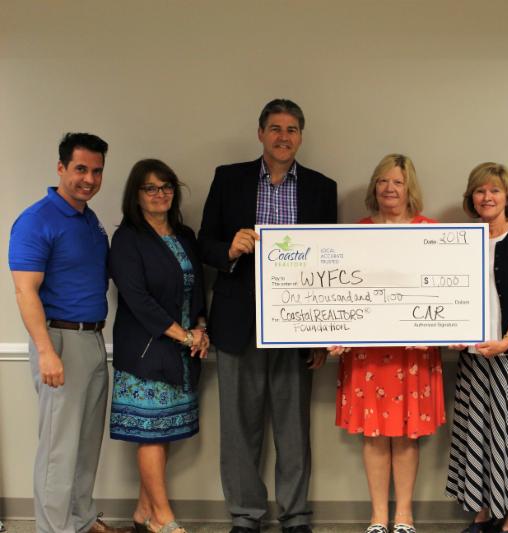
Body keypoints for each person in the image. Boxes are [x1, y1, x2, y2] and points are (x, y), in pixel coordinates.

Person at [198, 98, 337, 533]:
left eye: (291, 129)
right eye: (275, 128)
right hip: (239, 321)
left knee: (293, 428)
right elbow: (204, 243)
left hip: (297, 324)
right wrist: (229, 250)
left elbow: (329, 262)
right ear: (260, 133)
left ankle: (295, 516)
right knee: (239, 428)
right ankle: (246, 516)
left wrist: (321, 333)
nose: (283, 136)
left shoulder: (321, 188)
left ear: (301, 137)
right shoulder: (229, 178)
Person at [9, 133, 131, 533]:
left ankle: (80, 519)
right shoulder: (37, 220)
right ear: (61, 168)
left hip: (92, 338)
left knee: (85, 442)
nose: (89, 179)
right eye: (80, 169)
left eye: (97, 171)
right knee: (59, 448)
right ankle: (55, 528)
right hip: (59, 341)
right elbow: (25, 291)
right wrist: (46, 351)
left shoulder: (89, 220)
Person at [333, 154, 445, 533]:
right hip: (368, 351)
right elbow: (342, 290)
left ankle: (404, 516)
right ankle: (379, 517)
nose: (389, 188)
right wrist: (335, 331)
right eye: (382, 181)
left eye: (397, 181)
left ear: (409, 187)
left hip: (414, 350)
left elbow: (446, 291)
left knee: (407, 435)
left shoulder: (432, 232)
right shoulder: (357, 232)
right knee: (375, 434)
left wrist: (443, 330)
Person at [108, 159, 210, 533]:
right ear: (136, 195)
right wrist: (184, 335)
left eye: (166, 186)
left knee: (162, 432)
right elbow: (138, 298)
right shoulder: (127, 239)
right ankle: (163, 519)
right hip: (145, 352)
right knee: (149, 434)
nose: (160, 194)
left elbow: (198, 288)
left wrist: (201, 327)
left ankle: (143, 512)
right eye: (150, 188)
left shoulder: (184, 235)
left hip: (182, 352)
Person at [445, 162, 508, 533]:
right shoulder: (461, 239)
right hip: (472, 357)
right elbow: (448, 292)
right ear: (471, 197)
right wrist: (451, 332)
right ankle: (482, 510)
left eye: (495, 190)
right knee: (476, 434)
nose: (487, 197)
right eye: (480, 190)